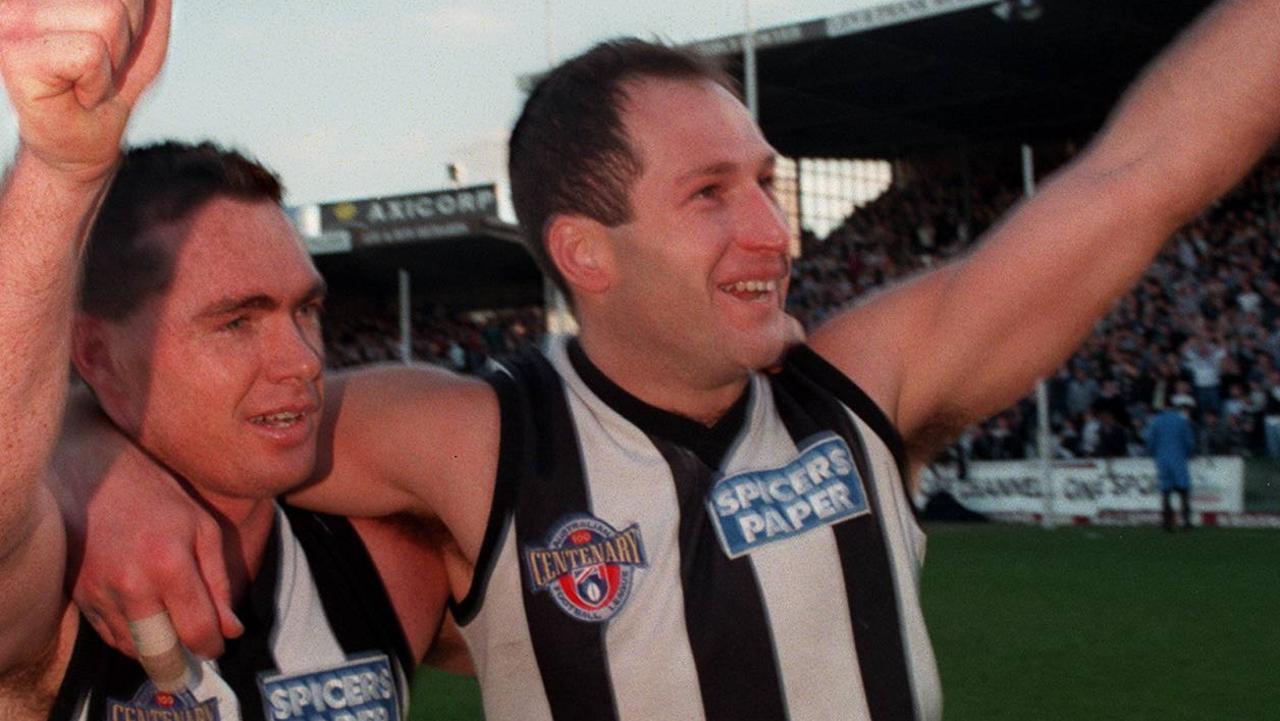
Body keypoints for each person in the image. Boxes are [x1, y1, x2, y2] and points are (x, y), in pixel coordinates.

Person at [68, 1, 1280, 719]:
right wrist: (94, 464)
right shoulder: (474, 440)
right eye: (711, 194)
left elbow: (1143, 173)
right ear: (584, 252)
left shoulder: (861, 386)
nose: (773, 230)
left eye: (767, 180)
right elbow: (203, 408)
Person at [0, 4, 455, 720]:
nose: (303, 359)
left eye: (305, 310)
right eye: (236, 321)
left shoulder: (395, 559)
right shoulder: (54, 592)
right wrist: (59, 168)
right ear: (97, 355)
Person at [1145, 402, 1198, 531]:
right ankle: (1186, 522)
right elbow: (1189, 441)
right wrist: (1188, 453)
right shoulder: (1182, 421)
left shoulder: (1156, 421)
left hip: (1162, 459)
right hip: (1179, 459)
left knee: (1166, 492)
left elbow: (1150, 440)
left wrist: (1153, 452)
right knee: (1183, 491)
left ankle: (1166, 523)